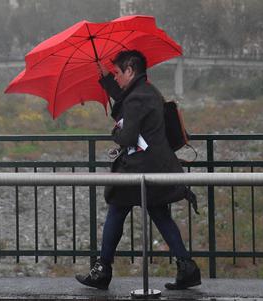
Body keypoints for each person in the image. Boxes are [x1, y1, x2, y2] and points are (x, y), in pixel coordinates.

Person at [75, 50, 201, 290]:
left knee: (116, 207)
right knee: (160, 215)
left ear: (130, 70)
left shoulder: (136, 99)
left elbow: (128, 136)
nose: (117, 78)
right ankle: (188, 268)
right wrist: (106, 80)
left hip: (139, 170)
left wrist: (115, 133)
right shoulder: (148, 91)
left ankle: (102, 270)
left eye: (117, 73)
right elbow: (126, 101)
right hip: (157, 166)